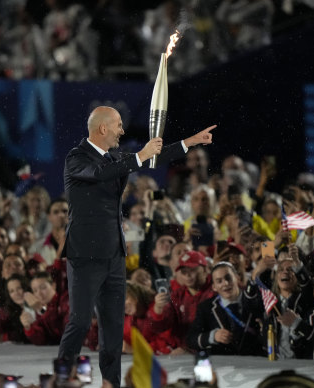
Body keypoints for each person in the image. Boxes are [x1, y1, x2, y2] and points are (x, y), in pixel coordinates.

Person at [58, 105, 215, 388]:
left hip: (115, 254)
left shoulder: (116, 157)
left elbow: (154, 155)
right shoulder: (76, 158)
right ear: (103, 128)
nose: (122, 130)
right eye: (118, 125)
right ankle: (60, 378)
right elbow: (99, 173)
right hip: (85, 255)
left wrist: (189, 143)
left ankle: (111, 383)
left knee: (113, 327)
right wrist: (140, 155)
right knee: (80, 322)